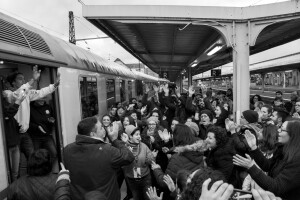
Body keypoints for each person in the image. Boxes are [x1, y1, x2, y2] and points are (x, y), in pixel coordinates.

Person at [63, 117, 134, 200]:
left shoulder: (67, 149)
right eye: (101, 128)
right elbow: (128, 157)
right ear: (92, 134)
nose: (104, 129)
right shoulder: (107, 151)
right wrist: (114, 139)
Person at [3, 66, 60, 160]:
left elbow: (41, 92)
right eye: (20, 79)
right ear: (13, 82)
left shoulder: (27, 93)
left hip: (25, 133)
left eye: (24, 79)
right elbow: (18, 94)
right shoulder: (7, 93)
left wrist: (54, 86)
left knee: (32, 158)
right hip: (14, 134)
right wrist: (32, 80)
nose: (23, 81)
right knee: (15, 162)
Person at [233, 120, 300, 200]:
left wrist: (251, 167)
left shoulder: (297, 159)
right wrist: (254, 148)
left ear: (293, 134)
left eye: (282, 130)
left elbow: (277, 187)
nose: (278, 131)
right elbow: (267, 166)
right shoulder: (282, 150)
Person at [122, 125, 154, 200]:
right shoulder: (124, 148)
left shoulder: (144, 146)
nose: (139, 137)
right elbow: (122, 164)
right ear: (130, 136)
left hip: (145, 178)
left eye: (139, 134)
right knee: (136, 197)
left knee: (148, 198)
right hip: (132, 179)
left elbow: (152, 160)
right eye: (136, 135)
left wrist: (150, 158)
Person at [3, 91, 26, 181]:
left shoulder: (9, 109)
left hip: (15, 145)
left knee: (15, 172)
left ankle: (14, 190)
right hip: (7, 147)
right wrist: (18, 102)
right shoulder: (4, 110)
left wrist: (19, 128)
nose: (13, 96)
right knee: (8, 173)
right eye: (10, 95)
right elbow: (8, 114)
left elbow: (10, 122)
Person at [28, 97, 57, 168]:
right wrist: (37, 127)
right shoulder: (29, 108)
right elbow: (27, 123)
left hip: (47, 136)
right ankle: (38, 171)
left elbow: (52, 118)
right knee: (36, 156)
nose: (42, 100)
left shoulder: (48, 107)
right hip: (35, 137)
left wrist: (51, 121)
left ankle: (47, 169)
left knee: (54, 154)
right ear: (35, 99)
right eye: (40, 98)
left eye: (44, 98)